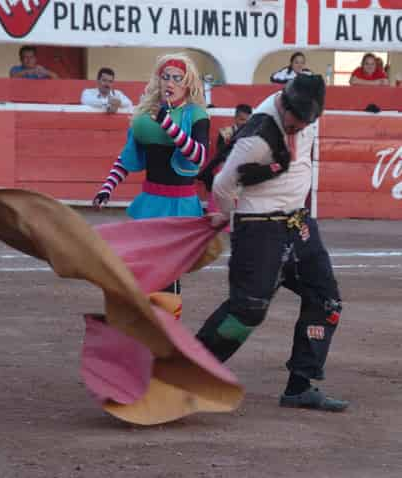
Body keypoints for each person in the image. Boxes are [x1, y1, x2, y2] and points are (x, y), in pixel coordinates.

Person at [196, 74, 349, 412]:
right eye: (294, 120)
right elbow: (222, 185)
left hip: (298, 222)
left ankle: (300, 386)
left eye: (306, 121)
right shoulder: (260, 135)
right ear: (284, 103)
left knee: (326, 302)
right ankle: (187, 373)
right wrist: (224, 217)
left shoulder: (305, 115)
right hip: (259, 226)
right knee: (247, 310)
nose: (298, 126)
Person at [92, 53, 209, 294]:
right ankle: (149, 322)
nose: (170, 83)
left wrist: (168, 125)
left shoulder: (196, 114)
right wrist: (107, 188)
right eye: (166, 77)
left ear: (188, 83)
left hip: (181, 206)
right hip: (151, 201)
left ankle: (166, 323)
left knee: (168, 273)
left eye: (178, 78)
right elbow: (127, 158)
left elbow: (198, 156)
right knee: (145, 268)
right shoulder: (145, 116)